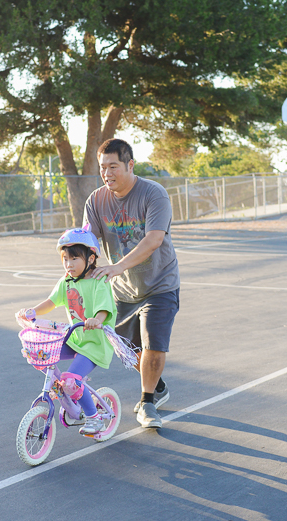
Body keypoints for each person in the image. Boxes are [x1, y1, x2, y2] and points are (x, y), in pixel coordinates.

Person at [83, 138, 180, 429]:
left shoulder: (154, 194)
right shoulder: (96, 200)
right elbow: (90, 241)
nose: (107, 173)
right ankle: (157, 383)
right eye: (103, 168)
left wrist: (118, 266)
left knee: (154, 344)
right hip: (123, 291)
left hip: (160, 284)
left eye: (113, 166)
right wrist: (78, 264)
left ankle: (148, 402)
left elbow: (154, 239)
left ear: (129, 165)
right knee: (129, 350)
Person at [17, 226, 117, 436]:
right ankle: (70, 399)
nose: (68, 264)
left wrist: (96, 320)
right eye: (65, 259)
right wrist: (32, 311)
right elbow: (51, 302)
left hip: (94, 344)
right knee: (41, 356)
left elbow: (104, 310)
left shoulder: (100, 282)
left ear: (90, 259)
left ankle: (94, 418)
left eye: (74, 259)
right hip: (74, 339)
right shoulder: (67, 281)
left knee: (71, 380)